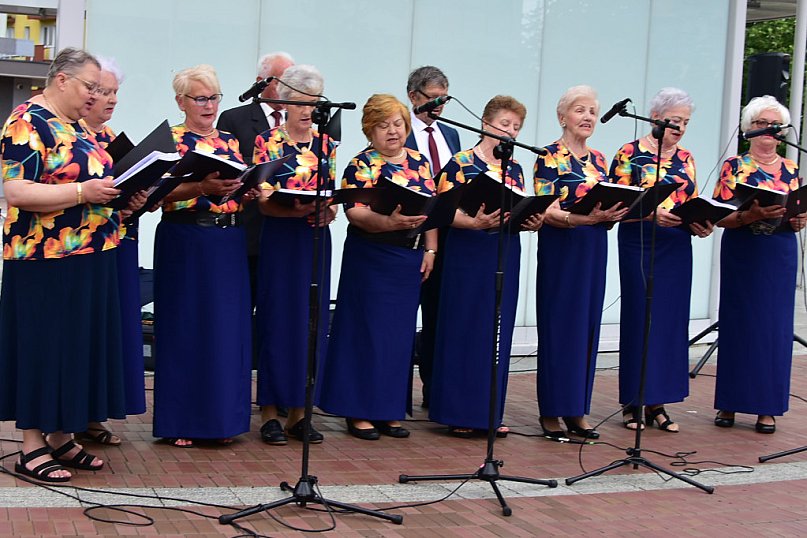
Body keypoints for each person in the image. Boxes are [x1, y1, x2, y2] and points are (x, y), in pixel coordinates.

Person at [0, 47, 125, 482]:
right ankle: (30, 444)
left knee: (74, 348)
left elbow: (92, 179)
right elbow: (17, 192)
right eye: (90, 86)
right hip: (43, 257)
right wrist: (82, 194)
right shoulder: (26, 122)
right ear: (62, 80)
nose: (94, 95)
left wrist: (123, 195)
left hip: (90, 253)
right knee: (44, 347)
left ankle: (60, 435)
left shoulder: (75, 126)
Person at [318, 94, 438, 440]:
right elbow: (355, 213)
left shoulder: (419, 162)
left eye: (398, 124)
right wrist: (391, 222)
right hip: (372, 256)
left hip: (408, 260)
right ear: (370, 131)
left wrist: (431, 250)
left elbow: (431, 209)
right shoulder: (361, 164)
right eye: (383, 126)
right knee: (366, 333)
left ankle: (388, 410)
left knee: (397, 338)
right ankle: (358, 411)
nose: (392, 131)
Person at [152, 64, 254, 448]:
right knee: (186, 328)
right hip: (186, 240)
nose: (209, 105)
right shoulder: (171, 140)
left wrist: (245, 190)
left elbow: (231, 187)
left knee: (225, 331)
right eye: (200, 98)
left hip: (227, 242)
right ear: (181, 102)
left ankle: (223, 420)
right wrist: (199, 185)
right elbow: (155, 193)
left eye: (214, 97)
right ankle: (183, 421)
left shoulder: (229, 140)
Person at [428, 95, 543, 438]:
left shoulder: (517, 168)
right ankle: (458, 410)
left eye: (516, 127)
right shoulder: (460, 163)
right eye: (505, 124)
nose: (510, 132)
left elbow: (519, 206)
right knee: (466, 326)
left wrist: (531, 219)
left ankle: (490, 411)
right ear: (485, 124)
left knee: (497, 329)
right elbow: (443, 211)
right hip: (468, 251)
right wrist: (473, 223)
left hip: (505, 249)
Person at [609, 87, 712, 433]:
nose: (680, 128)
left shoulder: (687, 158)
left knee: (668, 323)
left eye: (685, 122)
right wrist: (651, 214)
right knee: (641, 318)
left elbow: (692, 199)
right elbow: (617, 203)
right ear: (655, 119)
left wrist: (701, 222)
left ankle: (659, 401)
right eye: (675, 121)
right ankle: (633, 401)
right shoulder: (630, 154)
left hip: (677, 246)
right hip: (640, 242)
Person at [533, 86, 628, 439]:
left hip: (593, 245)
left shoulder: (601, 160)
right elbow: (545, 208)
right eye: (579, 110)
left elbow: (605, 204)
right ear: (562, 117)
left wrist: (612, 211)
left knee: (587, 325)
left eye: (592, 111)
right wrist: (578, 219)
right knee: (561, 324)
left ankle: (576, 409)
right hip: (563, 245)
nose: (587, 117)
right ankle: (552, 411)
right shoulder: (548, 156)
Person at [252, 65, 337, 445]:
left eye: (314, 104)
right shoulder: (267, 142)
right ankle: (270, 412)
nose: (307, 111)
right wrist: (297, 209)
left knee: (312, 321)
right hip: (281, 238)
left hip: (315, 240)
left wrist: (328, 209)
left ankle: (302, 413)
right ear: (285, 104)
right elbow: (264, 202)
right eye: (300, 103)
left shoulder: (327, 144)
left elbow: (333, 197)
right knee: (277, 319)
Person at [712, 95, 806, 434]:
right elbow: (720, 217)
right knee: (739, 324)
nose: (769, 131)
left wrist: (799, 220)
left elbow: (797, 210)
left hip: (779, 252)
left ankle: (768, 407)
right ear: (749, 129)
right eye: (761, 124)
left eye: (775, 126)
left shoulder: (792, 169)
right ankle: (730, 402)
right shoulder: (734, 167)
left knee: (773, 329)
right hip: (743, 250)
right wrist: (750, 214)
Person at [78, 56, 147, 447]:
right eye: (103, 91)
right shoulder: (73, 136)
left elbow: (122, 196)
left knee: (110, 333)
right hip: (82, 249)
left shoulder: (113, 139)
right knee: (85, 332)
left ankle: (93, 415)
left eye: (115, 92)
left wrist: (138, 198)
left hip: (119, 242)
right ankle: (73, 415)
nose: (111, 99)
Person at [217, 52, 295, 310]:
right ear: (261, 81)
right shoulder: (234, 118)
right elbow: (226, 168)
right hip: (250, 227)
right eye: (283, 80)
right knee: (244, 303)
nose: (289, 88)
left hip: (289, 226)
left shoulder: (298, 121)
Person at [405, 66, 461, 408]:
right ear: (413, 97)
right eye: (431, 98)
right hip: (410, 234)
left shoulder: (451, 136)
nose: (438, 105)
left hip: (447, 239)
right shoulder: (397, 130)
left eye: (443, 99)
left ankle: (432, 387)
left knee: (438, 315)